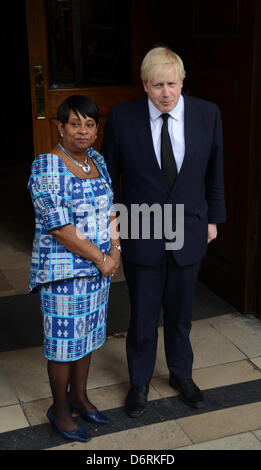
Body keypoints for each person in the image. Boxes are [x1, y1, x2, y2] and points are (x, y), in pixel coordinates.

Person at [101, 46, 226, 418]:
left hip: (189, 226)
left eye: (172, 84)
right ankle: (138, 382)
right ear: (145, 85)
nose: (166, 93)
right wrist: (112, 222)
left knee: (181, 311)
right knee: (142, 313)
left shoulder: (207, 113)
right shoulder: (123, 117)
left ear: (182, 81)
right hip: (142, 228)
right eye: (158, 85)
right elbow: (109, 176)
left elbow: (215, 170)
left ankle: (181, 375)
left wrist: (214, 219)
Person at [28, 94, 121, 441]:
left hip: (99, 272)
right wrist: (101, 259)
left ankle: (80, 397)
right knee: (63, 343)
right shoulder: (46, 165)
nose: (82, 131)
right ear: (60, 127)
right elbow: (59, 228)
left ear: (97, 130)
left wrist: (115, 249)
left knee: (87, 336)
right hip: (64, 272)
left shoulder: (96, 159)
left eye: (89, 124)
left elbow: (112, 210)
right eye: (74, 123)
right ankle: (60, 408)